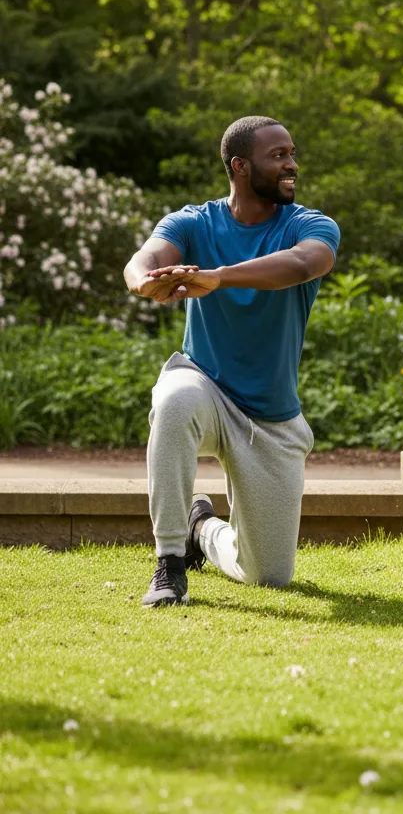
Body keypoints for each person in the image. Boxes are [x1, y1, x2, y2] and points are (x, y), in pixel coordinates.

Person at [123, 116, 340, 608]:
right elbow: (144, 257)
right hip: (204, 384)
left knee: (269, 575)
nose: (292, 164)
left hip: (270, 416)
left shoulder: (309, 224)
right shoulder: (194, 222)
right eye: (279, 156)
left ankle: (202, 529)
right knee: (174, 400)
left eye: (291, 153)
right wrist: (144, 281)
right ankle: (170, 563)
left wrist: (219, 276)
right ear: (241, 167)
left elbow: (305, 264)